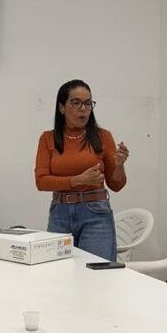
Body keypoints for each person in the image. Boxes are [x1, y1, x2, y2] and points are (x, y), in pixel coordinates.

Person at [35, 79, 129, 261]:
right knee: (57, 274)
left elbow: (116, 185)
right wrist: (78, 180)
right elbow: (41, 181)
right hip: (60, 213)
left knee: (96, 274)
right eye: (76, 102)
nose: (83, 108)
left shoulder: (103, 136)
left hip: (96, 214)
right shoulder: (48, 138)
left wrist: (119, 164)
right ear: (62, 107)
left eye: (88, 103)